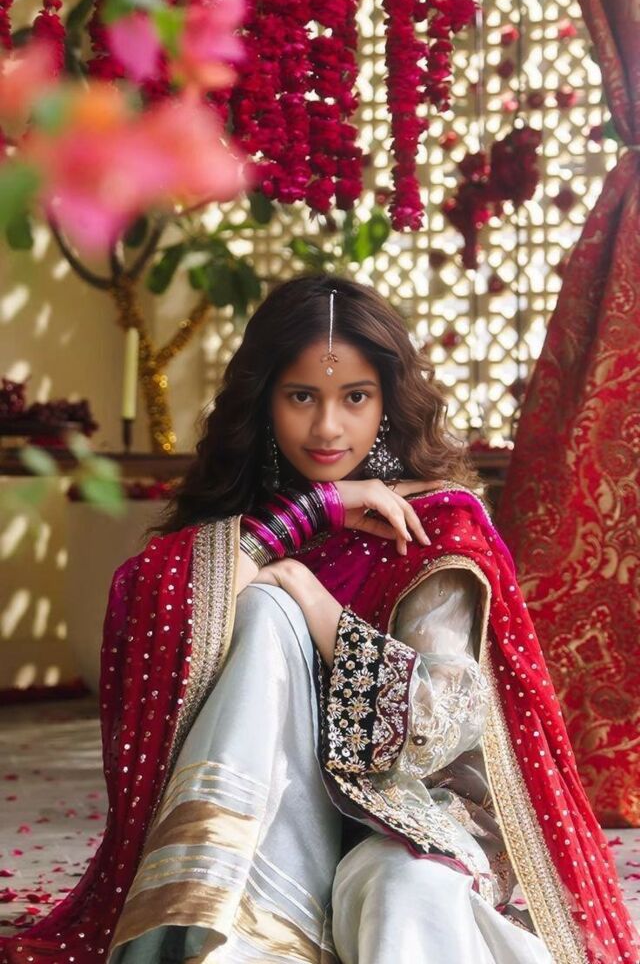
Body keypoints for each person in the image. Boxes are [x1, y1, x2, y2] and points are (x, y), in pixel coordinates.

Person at [2, 276, 638, 964]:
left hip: (403, 815)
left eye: (355, 397)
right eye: (302, 396)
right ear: (265, 400)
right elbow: (161, 620)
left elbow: (435, 727)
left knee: (405, 893)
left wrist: (311, 595)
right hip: (269, 815)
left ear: (388, 402)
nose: (328, 427)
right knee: (262, 606)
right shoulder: (254, 516)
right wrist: (312, 513)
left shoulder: (434, 525)